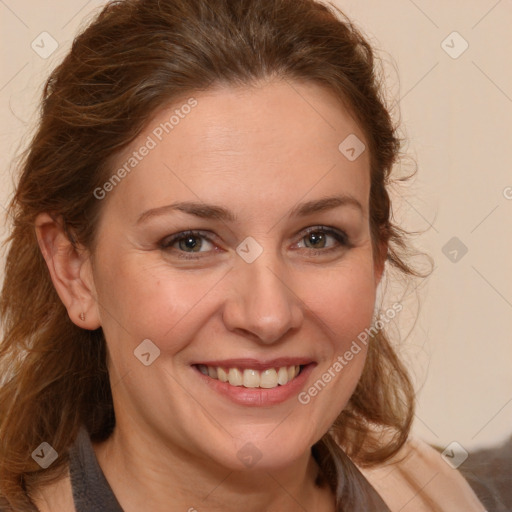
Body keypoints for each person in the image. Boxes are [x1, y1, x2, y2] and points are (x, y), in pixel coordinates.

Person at [0, 0, 485, 510]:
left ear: (377, 256)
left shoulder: (435, 494)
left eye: (318, 238)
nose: (268, 315)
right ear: (75, 270)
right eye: (191, 242)